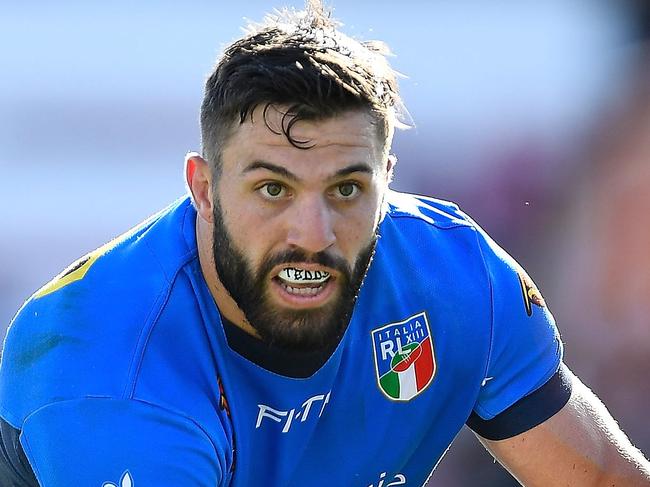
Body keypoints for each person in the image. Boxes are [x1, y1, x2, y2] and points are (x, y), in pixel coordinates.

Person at [1, 2, 648, 486]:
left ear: (387, 184)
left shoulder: (454, 276)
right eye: (273, 189)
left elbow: (600, 477)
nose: (313, 236)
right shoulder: (112, 373)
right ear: (203, 189)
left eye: (346, 189)